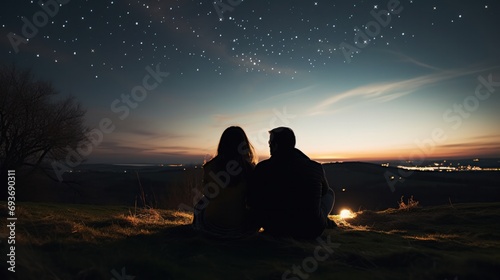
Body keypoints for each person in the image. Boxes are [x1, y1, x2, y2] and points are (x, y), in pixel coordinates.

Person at [248, 127, 335, 239]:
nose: (269, 145)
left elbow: (253, 197)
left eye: (270, 142)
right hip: (311, 230)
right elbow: (324, 192)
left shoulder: (262, 168)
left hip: (274, 228)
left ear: (275, 145)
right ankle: (320, 217)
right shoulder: (315, 166)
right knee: (330, 194)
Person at [192, 126, 258, 238]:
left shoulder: (209, 167)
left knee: (200, 204)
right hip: (238, 227)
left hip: (211, 226)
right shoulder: (249, 169)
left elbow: (207, 194)